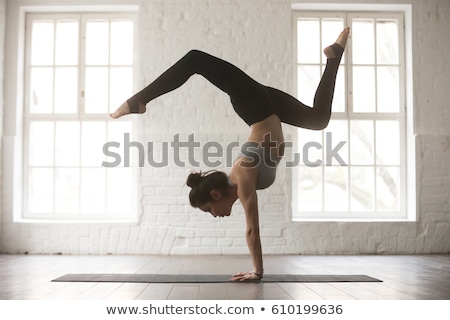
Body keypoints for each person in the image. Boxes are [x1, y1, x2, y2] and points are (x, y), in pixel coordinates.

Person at [111, 28, 350, 281]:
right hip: (267, 106)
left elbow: (252, 230)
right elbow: (252, 228)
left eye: (209, 210)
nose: (214, 216)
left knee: (195, 60)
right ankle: (334, 57)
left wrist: (257, 272)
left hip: (255, 105)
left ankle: (138, 101)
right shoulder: (241, 179)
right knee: (318, 119)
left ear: (215, 195)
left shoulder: (242, 174)